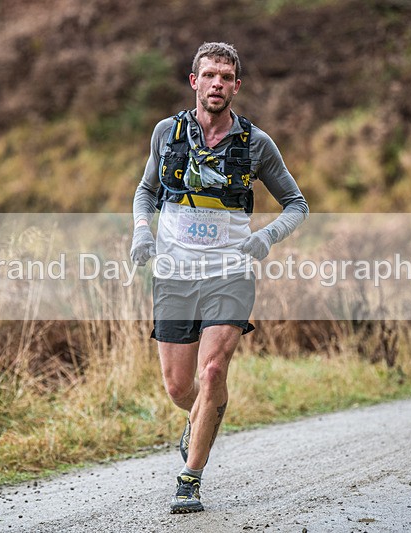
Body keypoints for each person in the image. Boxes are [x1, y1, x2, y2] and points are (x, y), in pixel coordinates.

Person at [130, 42, 308, 514]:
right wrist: (139, 234)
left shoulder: (256, 144)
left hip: (229, 272)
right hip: (174, 272)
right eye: (209, 75)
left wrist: (265, 238)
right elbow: (146, 191)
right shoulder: (167, 134)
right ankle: (198, 416)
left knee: (213, 372)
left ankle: (190, 477)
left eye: (226, 78)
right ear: (194, 81)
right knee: (178, 386)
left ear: (236, 86)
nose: (217, 84)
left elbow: (298, 204)